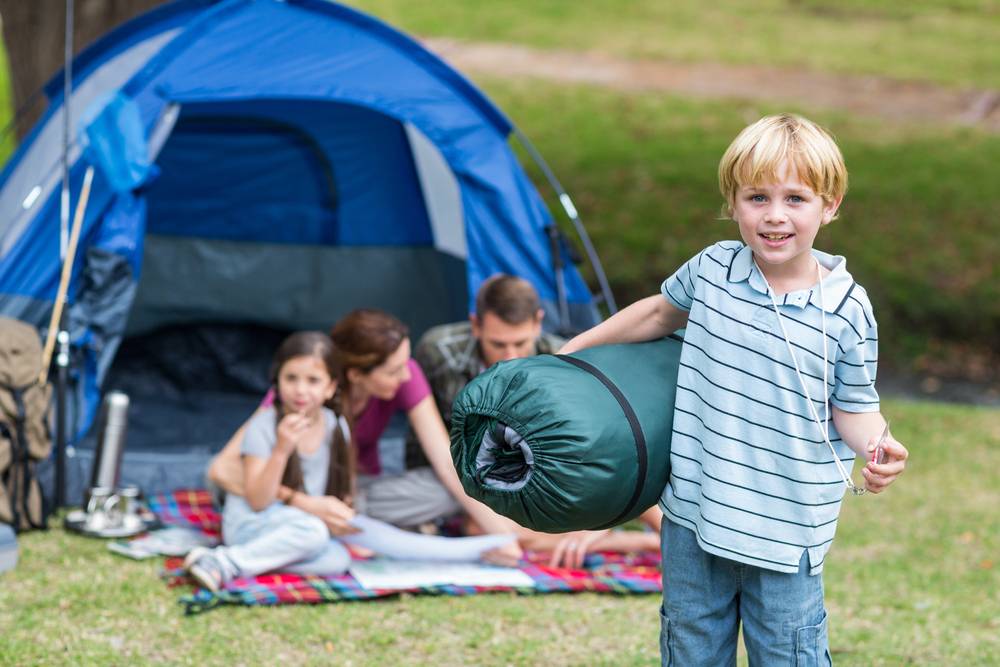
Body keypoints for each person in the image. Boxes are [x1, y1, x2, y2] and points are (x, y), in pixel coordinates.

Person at [558, 114, 909, 664]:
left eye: (796, 198)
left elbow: (854, 406)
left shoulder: (846, 309)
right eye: (757, 197)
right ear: (733, 203)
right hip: (695, 518)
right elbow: (656, 313)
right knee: (691, 650)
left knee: (788, 654)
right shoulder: (714, 270)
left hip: (787, 531)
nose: (774, 215)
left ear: (830, 205)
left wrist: (878, 448)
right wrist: (575, 349)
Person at [208, 309, 523, 564]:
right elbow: (221, 470)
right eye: (392, 371)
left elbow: (445, 460)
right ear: (356, 375)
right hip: (292, 490)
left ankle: (333, 529)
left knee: (447, 491)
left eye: (405, 365)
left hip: (353, 493)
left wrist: (506, 536)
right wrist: (303, 502)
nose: (406, 376)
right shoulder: (307, 392)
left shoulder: (406, 375)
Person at [412, 274, 663, 567]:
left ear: (537, 323)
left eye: (520, 343)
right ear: (475, 326)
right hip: (470, 473)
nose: (510, 355)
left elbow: (608, 447)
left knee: (627, 472)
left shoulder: (566, 358)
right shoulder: (439, 352)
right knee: (480, 526)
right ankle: (630, 542)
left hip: (546, 471)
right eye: (498, 344)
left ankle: (665, 540)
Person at [185, 331, 356, 592]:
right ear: (277, 380)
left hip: (296, 525)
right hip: (254, 522)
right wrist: (281, 449)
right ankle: (224, 561)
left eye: (313, 381)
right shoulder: (263, 426)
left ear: (330, 387)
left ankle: (255, 559)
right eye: (291, 378)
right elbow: (258, 500)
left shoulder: (335, 425)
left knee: (338, 559)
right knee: (314, 534)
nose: (301, 390)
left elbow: (340, 486)